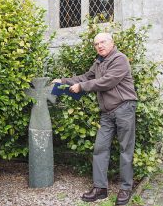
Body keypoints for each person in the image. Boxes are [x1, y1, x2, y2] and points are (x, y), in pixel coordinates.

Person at [52, 33, 137, 205]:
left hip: (124, 108)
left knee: (125, 150)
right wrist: (63, 81)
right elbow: (86, 77)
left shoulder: (120, 59)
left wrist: (82, 87)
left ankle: (126, 188)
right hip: (106, 113)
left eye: (103, 42)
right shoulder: (98, 61)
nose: (99, 46)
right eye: (96, 43)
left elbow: (107, 81)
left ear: (112, 42)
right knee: (100, 148)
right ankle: (100, 189)